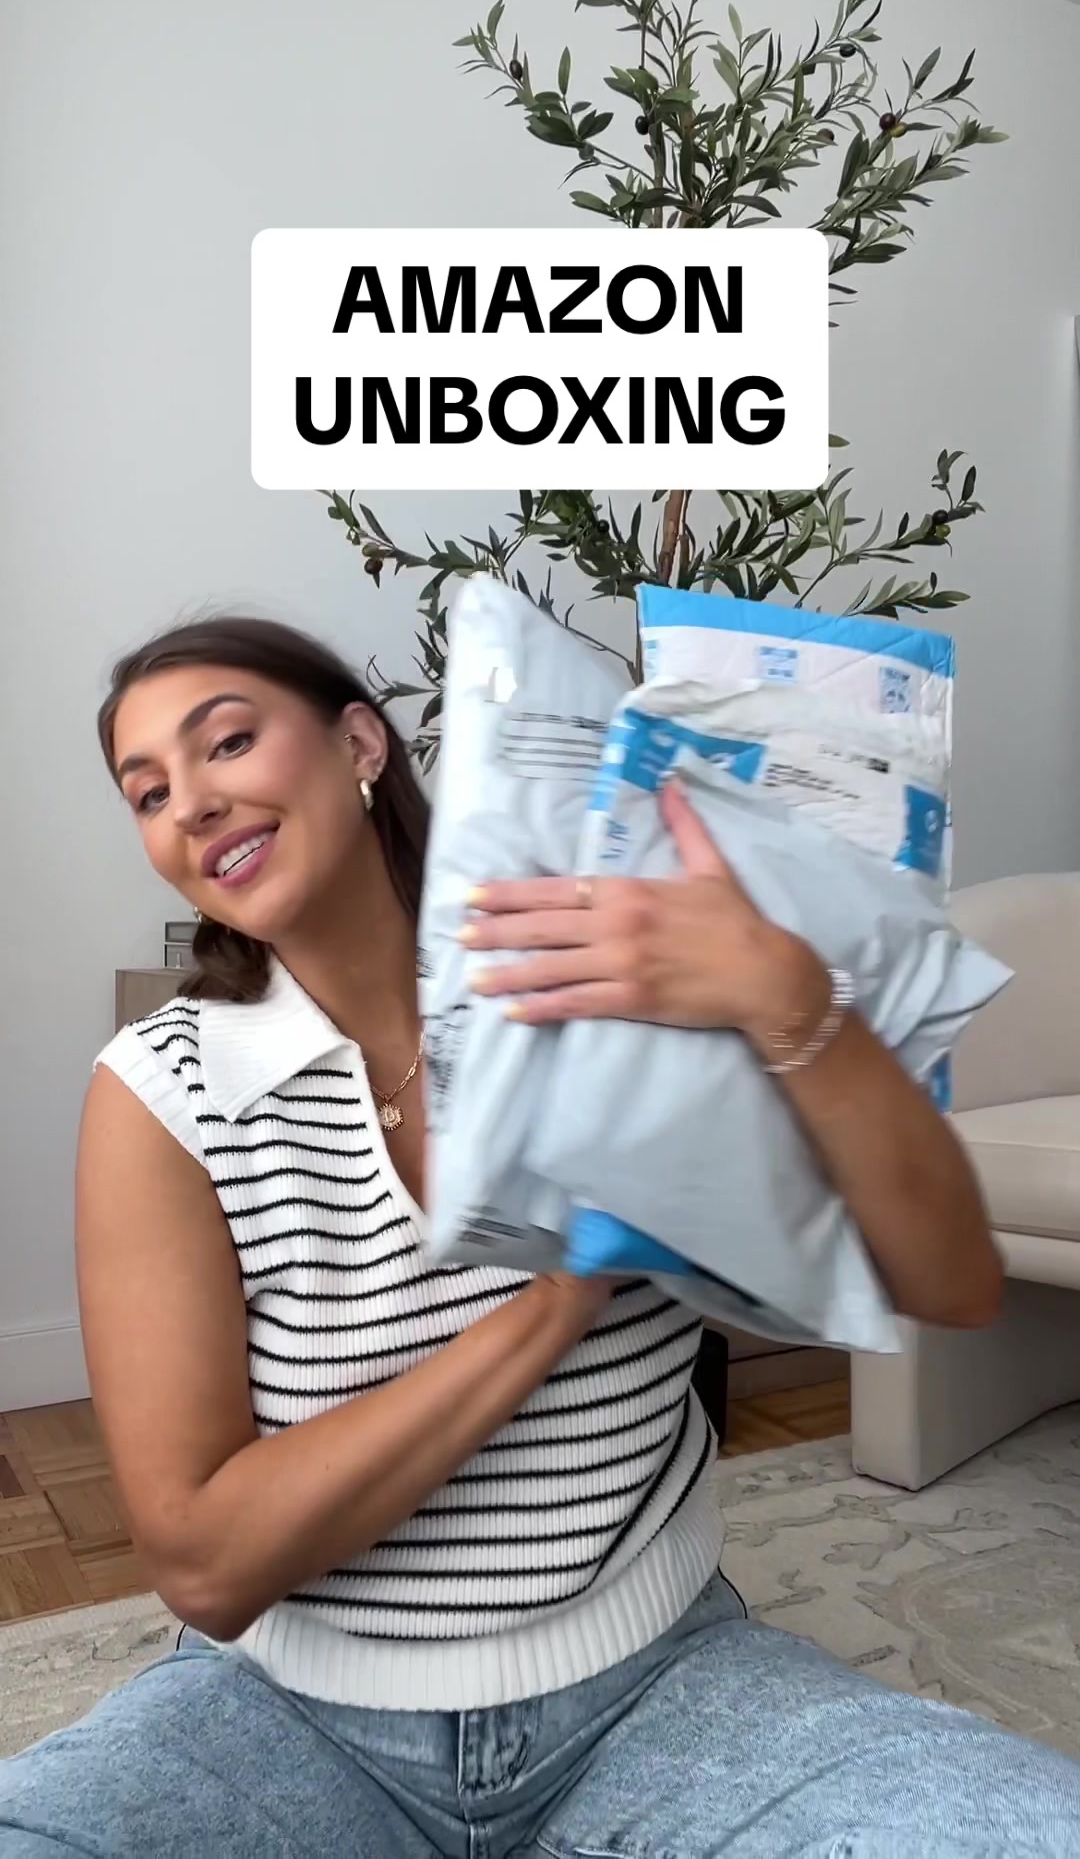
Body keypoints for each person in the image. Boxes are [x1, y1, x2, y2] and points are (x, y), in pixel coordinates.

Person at [1, 611, 1077, 1859]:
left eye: (228, 741)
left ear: (360, 745)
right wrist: (559, 1296)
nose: (190, 803)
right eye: (147, 793)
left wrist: (787, 1001)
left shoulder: (615, 967)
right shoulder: (162, 1092)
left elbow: (951, 1283)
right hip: (287, 1719)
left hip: (661, 1690)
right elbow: (207, 1564)